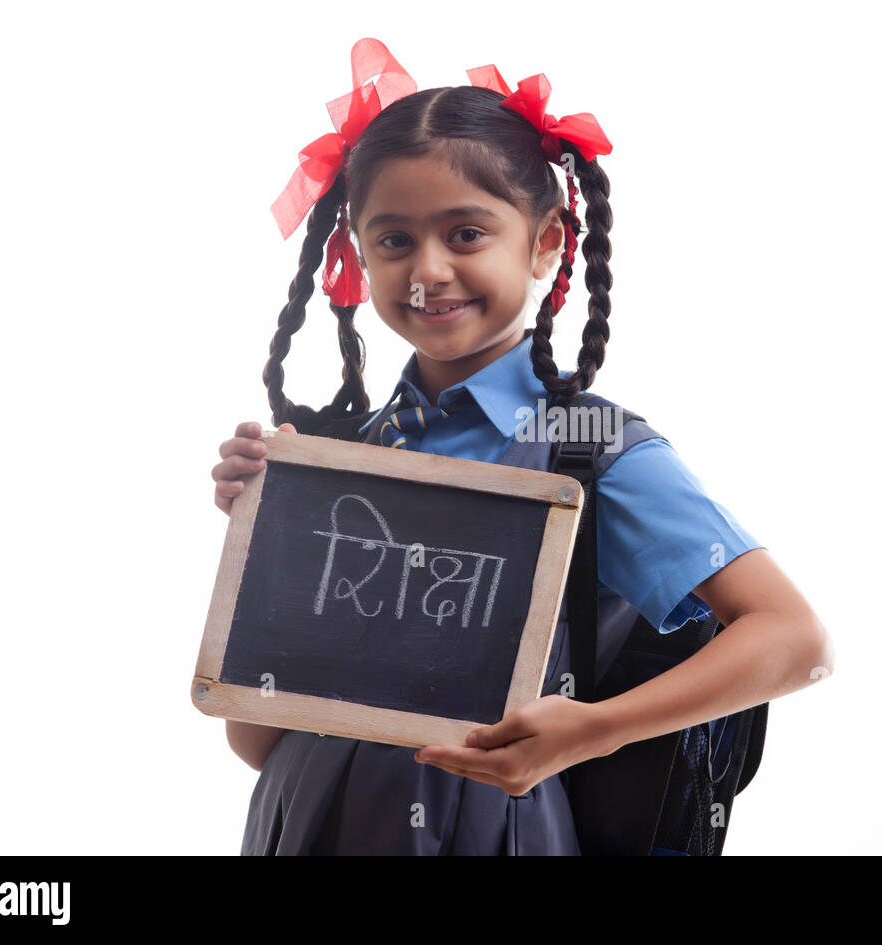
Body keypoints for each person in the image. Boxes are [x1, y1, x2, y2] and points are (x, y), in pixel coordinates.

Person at [209, 38, 834, 855]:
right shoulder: (344, 451)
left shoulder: (587, 443)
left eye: (466, 232)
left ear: (545, 242)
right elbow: (257, 742)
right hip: (307, 825)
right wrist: (268, 538)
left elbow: (793, 637)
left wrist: (592, 729)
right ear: (356, 257)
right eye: (393, 240)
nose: (428, 270)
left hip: (497, 831)